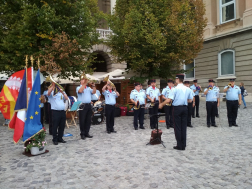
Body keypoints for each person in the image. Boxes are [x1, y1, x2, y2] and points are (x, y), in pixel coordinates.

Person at [159, 74, 193, 151]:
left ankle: (179, 145)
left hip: (177, 108)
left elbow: (168, 100)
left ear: (177, 79)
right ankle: (183, 145)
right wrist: (183, 100)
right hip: (185, 108)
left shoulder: (174, 89)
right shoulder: (188, 89)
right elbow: (190, 100)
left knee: (177, 127)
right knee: (183, 127)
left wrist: (162, 104)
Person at [76, 73, 96, 140]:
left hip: (88, 105)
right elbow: (80, 91)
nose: (84, 81)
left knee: (88, 120)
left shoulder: (88, 88)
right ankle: (82, 134)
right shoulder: (78, 87)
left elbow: (94, 92)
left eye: (85, 80)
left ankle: (87, 132)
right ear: (80, 81)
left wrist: (93, 86)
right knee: (82, 120)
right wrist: (85, 83)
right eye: (83, 80)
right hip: (82, 105)